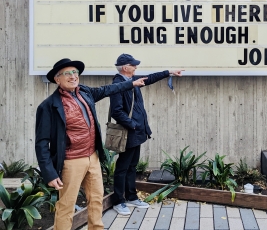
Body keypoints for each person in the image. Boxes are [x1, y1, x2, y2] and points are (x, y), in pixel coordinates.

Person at [35, 58, 146, 230]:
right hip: (71, 161)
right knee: (66, 205)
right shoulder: (49, 106)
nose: (73, 76)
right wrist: (49, 173)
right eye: (67, 73)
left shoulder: (85, 92)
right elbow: (41, 143)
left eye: (75, 72)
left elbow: (108, 89)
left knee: (96, 199)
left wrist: (131, 84)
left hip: (92, 157)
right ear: (57, 79)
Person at [110, 53, 184, 215]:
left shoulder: (131, 81)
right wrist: (132, 125)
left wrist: (169, 72)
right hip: (128, 132)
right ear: (125, 67)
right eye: (133, 65)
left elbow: (148, 78)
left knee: (132, 166)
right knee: (123, 167)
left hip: (137, 132)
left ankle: (131, 197)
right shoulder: (118, 84)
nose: (136, 67)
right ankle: (118, 201)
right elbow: (116, 111)